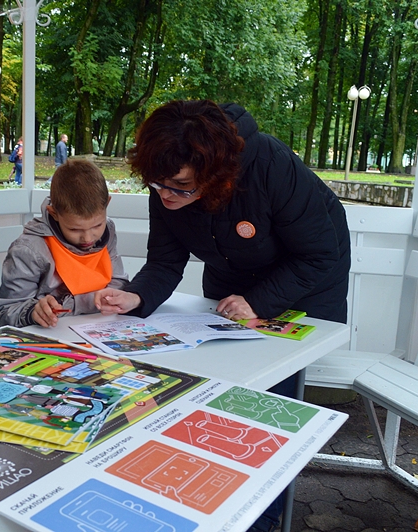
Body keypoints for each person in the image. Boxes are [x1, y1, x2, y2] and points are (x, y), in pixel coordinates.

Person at [94, 99, 350, 532]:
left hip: (306, 279)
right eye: (158, 186)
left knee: (272, 398)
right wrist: (135, 296)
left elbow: (319, 254)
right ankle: (207, 494)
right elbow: (164, 261)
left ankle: (264, 516)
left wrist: (260, 302)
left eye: (180, 187)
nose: (167, 197)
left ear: (215, 175)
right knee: (217, 388)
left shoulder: (270, 163)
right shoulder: (169, 175)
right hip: (233, 274)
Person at [0, 158, 129, 328]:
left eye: (97, 225)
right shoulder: (30, 249)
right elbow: (3, 314)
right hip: (42, 341)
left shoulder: (108, 231)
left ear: (107, 204)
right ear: (53, 214)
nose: (88, 238)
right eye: (74, 230)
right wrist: (32, 312)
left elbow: (118, 282)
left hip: (93, 331)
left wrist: (103, 299)